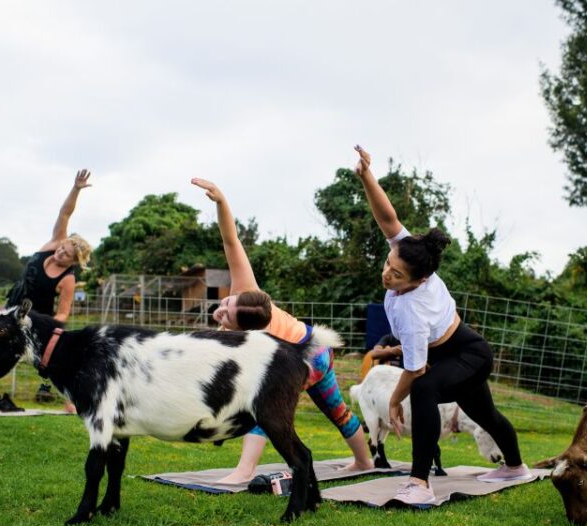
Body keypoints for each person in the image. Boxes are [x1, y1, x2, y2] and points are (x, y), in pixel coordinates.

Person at [353, 145, 531, 505]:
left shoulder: (414, 310)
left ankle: (419, 482)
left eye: (397, 274)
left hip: (468, 354)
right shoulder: (411, 255)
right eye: (389, 264)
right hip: (456, 353)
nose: (387, 274)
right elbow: (388, 218)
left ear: (419, 280)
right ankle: (515, 466)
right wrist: (367, 175)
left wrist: (394, 401)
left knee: (424, 390)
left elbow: (416, 369)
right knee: (485, 413)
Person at [191, 177, 375, 483]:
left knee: (264, 405)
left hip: (307, 356)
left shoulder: (253, 343)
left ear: (243, 329)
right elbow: (231, 240)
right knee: (336, 409)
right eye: (227, 303)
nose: (221, 309)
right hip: (317, 347)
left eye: (228, 313)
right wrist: (222, 202)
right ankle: (364, 461)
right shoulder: (247, 293)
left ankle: (244, 471)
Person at [0, 169, 93, 410]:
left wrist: (50, 331)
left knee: (50, 364)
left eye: (66, 254)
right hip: (12, 308)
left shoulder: (67, 279)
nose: (60, 252)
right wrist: (76, 189)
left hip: (35, 321)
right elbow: (65, 213)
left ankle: (72, 403)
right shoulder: (55, 243)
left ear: (73, 262)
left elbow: (63, 313)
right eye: (62, 248)